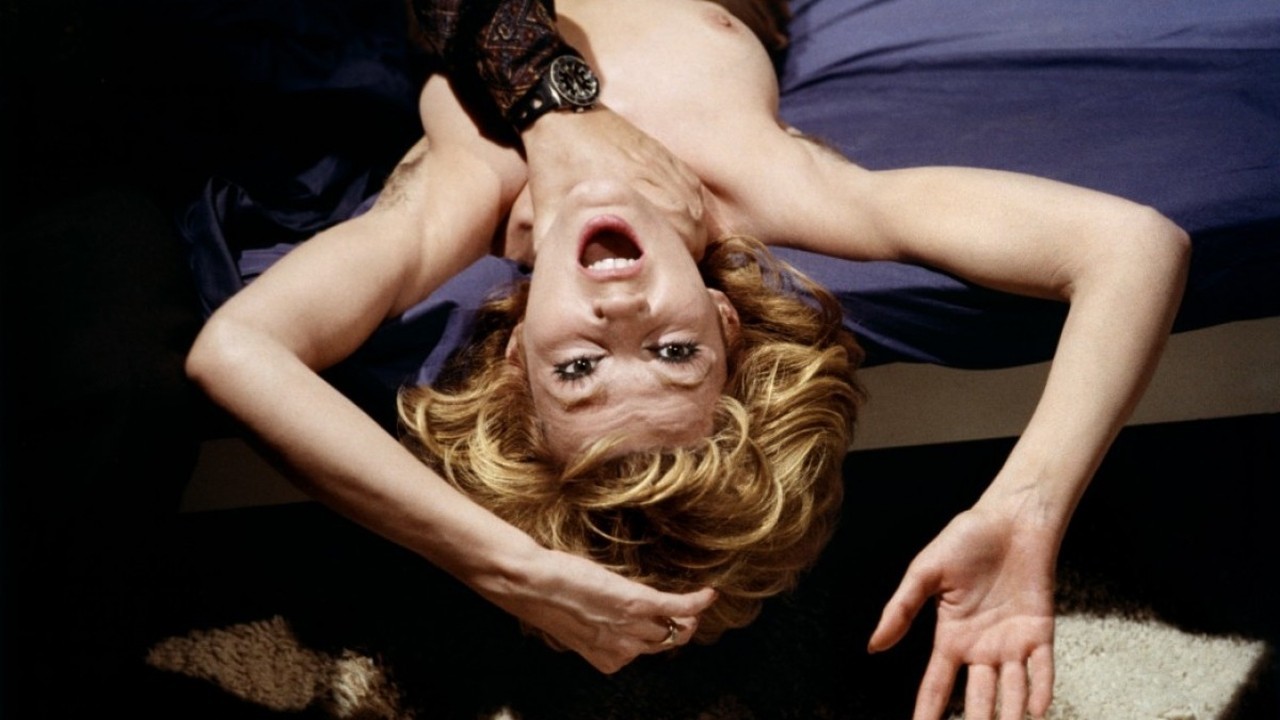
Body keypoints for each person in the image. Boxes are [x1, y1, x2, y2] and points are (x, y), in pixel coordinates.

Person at [185, 2, 1190, 720]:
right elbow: (1132, 244)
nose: (619, 308)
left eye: (578, 368)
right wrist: (1028, 509)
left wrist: (504, 566)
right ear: (723, 321)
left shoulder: (471, 192)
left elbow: (236, 351)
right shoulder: (757, 186)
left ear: (514, 356)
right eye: (672, 352)